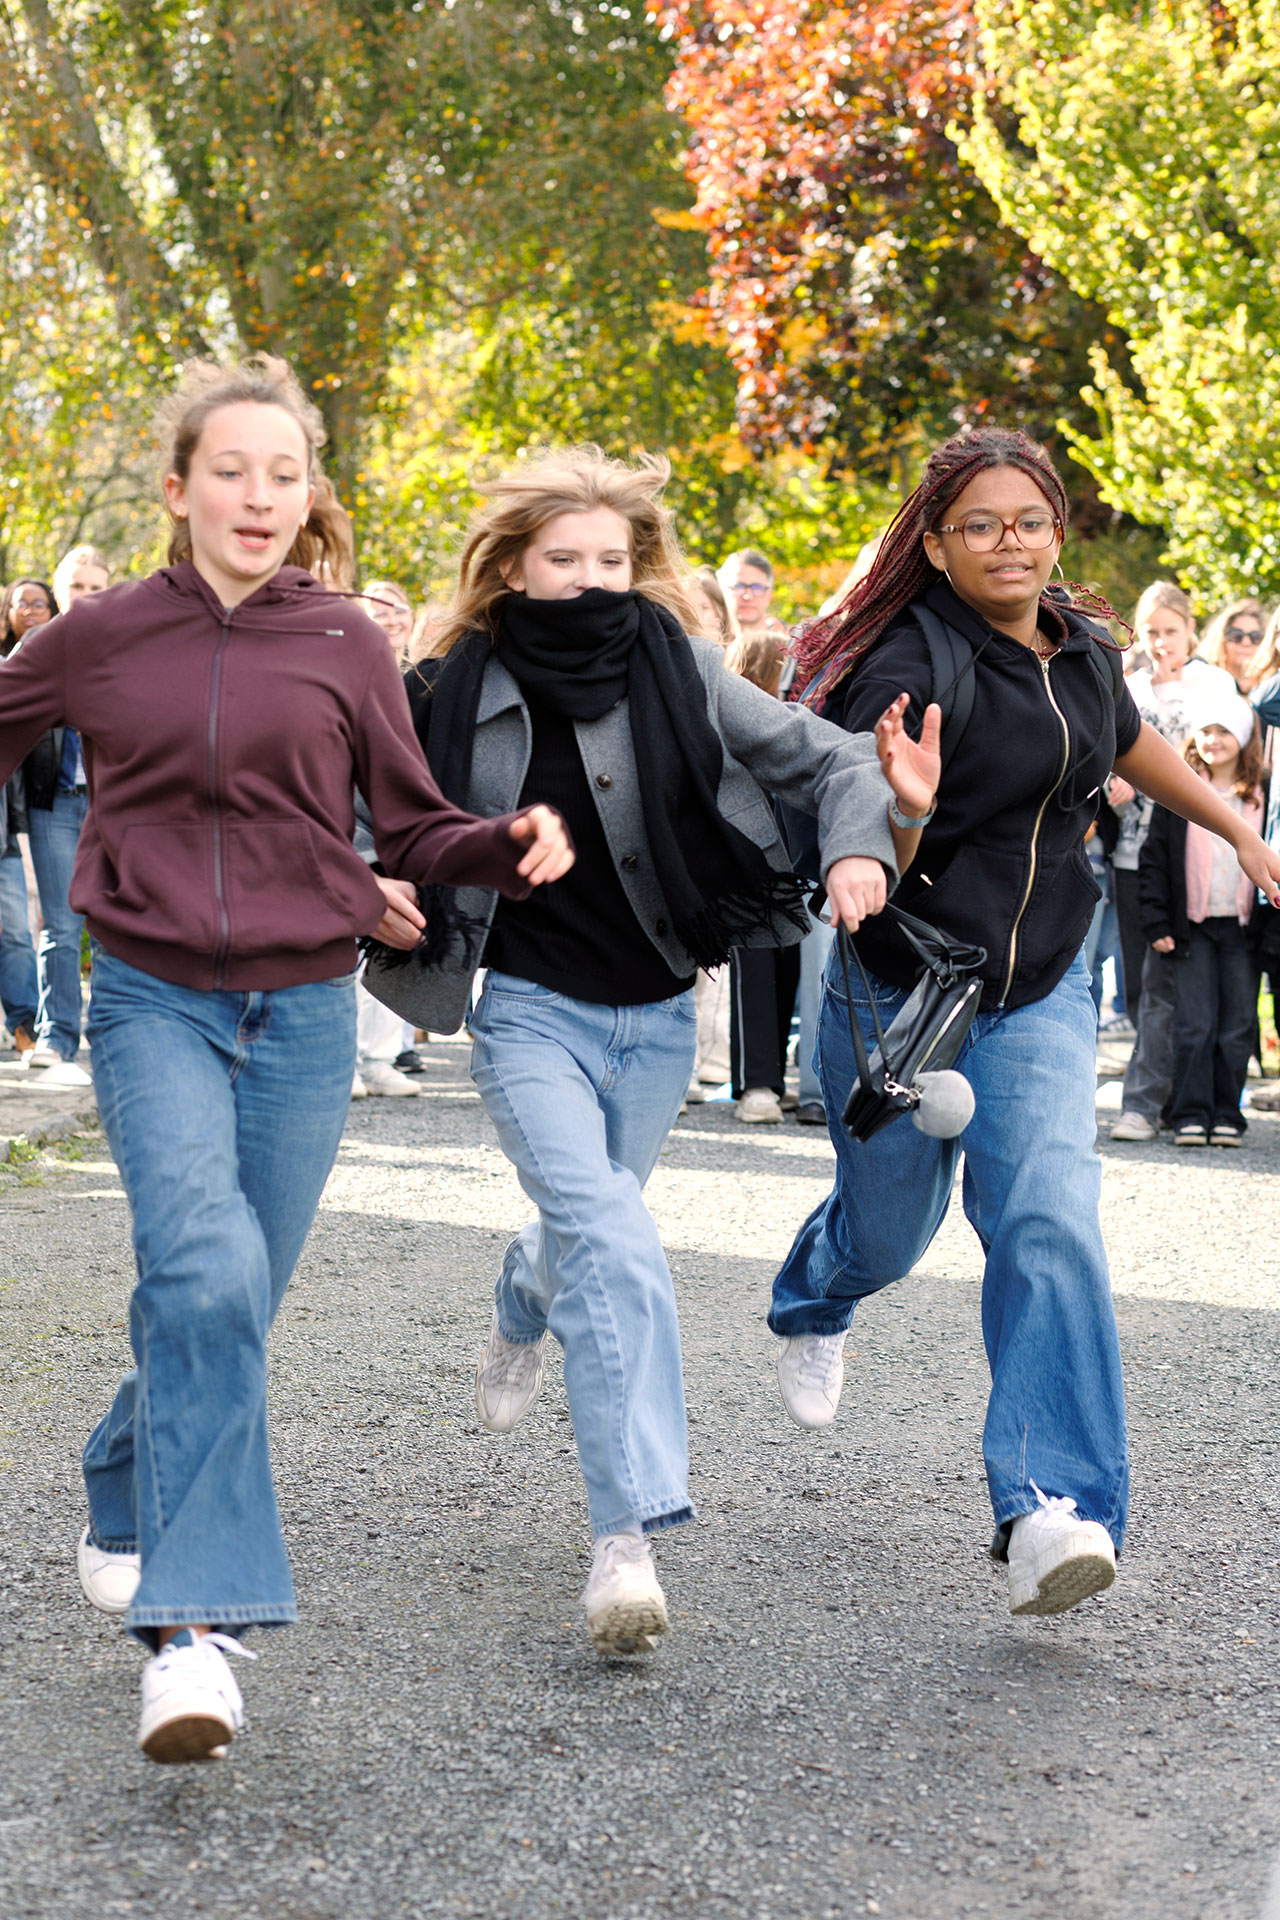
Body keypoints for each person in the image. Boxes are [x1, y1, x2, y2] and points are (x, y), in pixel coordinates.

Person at [0, 354, 572, 1765]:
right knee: (203, 1271)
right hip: (153, 1000)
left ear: (309, 494)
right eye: (231, 472)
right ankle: (190, 1638)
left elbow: (411, 820)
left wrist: (498, 845)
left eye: (284, 473)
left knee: (232, 1297)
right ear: (179, 489)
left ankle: (122, 1471)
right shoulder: (100, 635)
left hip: (307, 1007)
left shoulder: (340, 640)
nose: (259, 497)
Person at [360, 444, 924, 1658]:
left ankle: (520, 1293)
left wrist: (855, 845)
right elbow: (361, 801)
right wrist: (370, 884)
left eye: (610, 559)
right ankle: (625, 1537)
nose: (589, 579)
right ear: (511, 568)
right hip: (528, 1015)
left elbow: (830, 758)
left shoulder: (683, 669)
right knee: (614, 1241)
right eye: (562, 559)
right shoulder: (448, 682)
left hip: (659, 1017)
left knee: (578, 1234)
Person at [766, 426, 1280, 1619]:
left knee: (1046, 1219)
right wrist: (904, 815)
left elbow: (1126, 740)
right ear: (935, 545)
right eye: (980, 525)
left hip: (1040, 984)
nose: (1009, 542)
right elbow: (854, 835)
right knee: (887, 1234)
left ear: (1056, 530)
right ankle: (815, 1293)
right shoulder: (903, 663)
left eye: (1029, 520)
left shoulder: (1080, 647)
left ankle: (1051, 1506)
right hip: (902, 990)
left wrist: (1235, 828)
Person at [1110, 583, 1238, 1141]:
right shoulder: (1129, 687)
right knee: (1144, 983)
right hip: (1134, 852)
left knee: (1188, 984)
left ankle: (1180, 1099)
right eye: (1151, 632)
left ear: (1191, 630)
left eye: (1171, 631)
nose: (1161, 643)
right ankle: (1151, 1097)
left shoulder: (1214, 685)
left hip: (1197, 853)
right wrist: (1112, 784)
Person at [1138, 691, 1264, 1145]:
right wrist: (1156, 922)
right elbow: (1154, 860)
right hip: (1192, 927)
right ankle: (1188, 1112)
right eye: (1206, 731)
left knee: (1237, 1026)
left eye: (1223, 731)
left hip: (1244, 931)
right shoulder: (1180, 793)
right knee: (1193, 1024)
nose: (1213, 740)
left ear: (1243, 738)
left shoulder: (1262, 796)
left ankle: (1227, 1113)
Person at [15, 548, 114, 1087]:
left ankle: (112, 1036)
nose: (87, 596)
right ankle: (56, 1038)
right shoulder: (39, 644)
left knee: (111, 923)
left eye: (97, 586)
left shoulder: (127, 643)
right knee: (60, 922)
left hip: (111, 804)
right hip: (53, 801)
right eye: (77, 586)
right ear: (59, 592)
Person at [0, 580, 44, 1058]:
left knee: (16, 933)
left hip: (4, 839)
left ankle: (23, 1028)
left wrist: (18, 831)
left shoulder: (7, 677)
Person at [717, 547, 791, 645]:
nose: (748, 596)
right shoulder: (710, 644)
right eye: (739, 586)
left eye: (757, 588)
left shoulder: (790, 644)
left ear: (769, 594)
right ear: (722, 590)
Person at [1200, 597, 1267, 695]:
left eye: (1255, 637)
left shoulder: (1271, 687)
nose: (1246, 642)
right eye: (1237, 636)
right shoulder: (1203, 680)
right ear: (1221, 638)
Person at [362, 578, 416, 667]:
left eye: (400, 612)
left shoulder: (428, 666)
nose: (393, 622)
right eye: (381, 615)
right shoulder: (354, 668)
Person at [687, 566, 737, 646]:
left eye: (704, 607)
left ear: (721, 610)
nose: (696, 615)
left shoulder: (739, 647)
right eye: (691, 608)